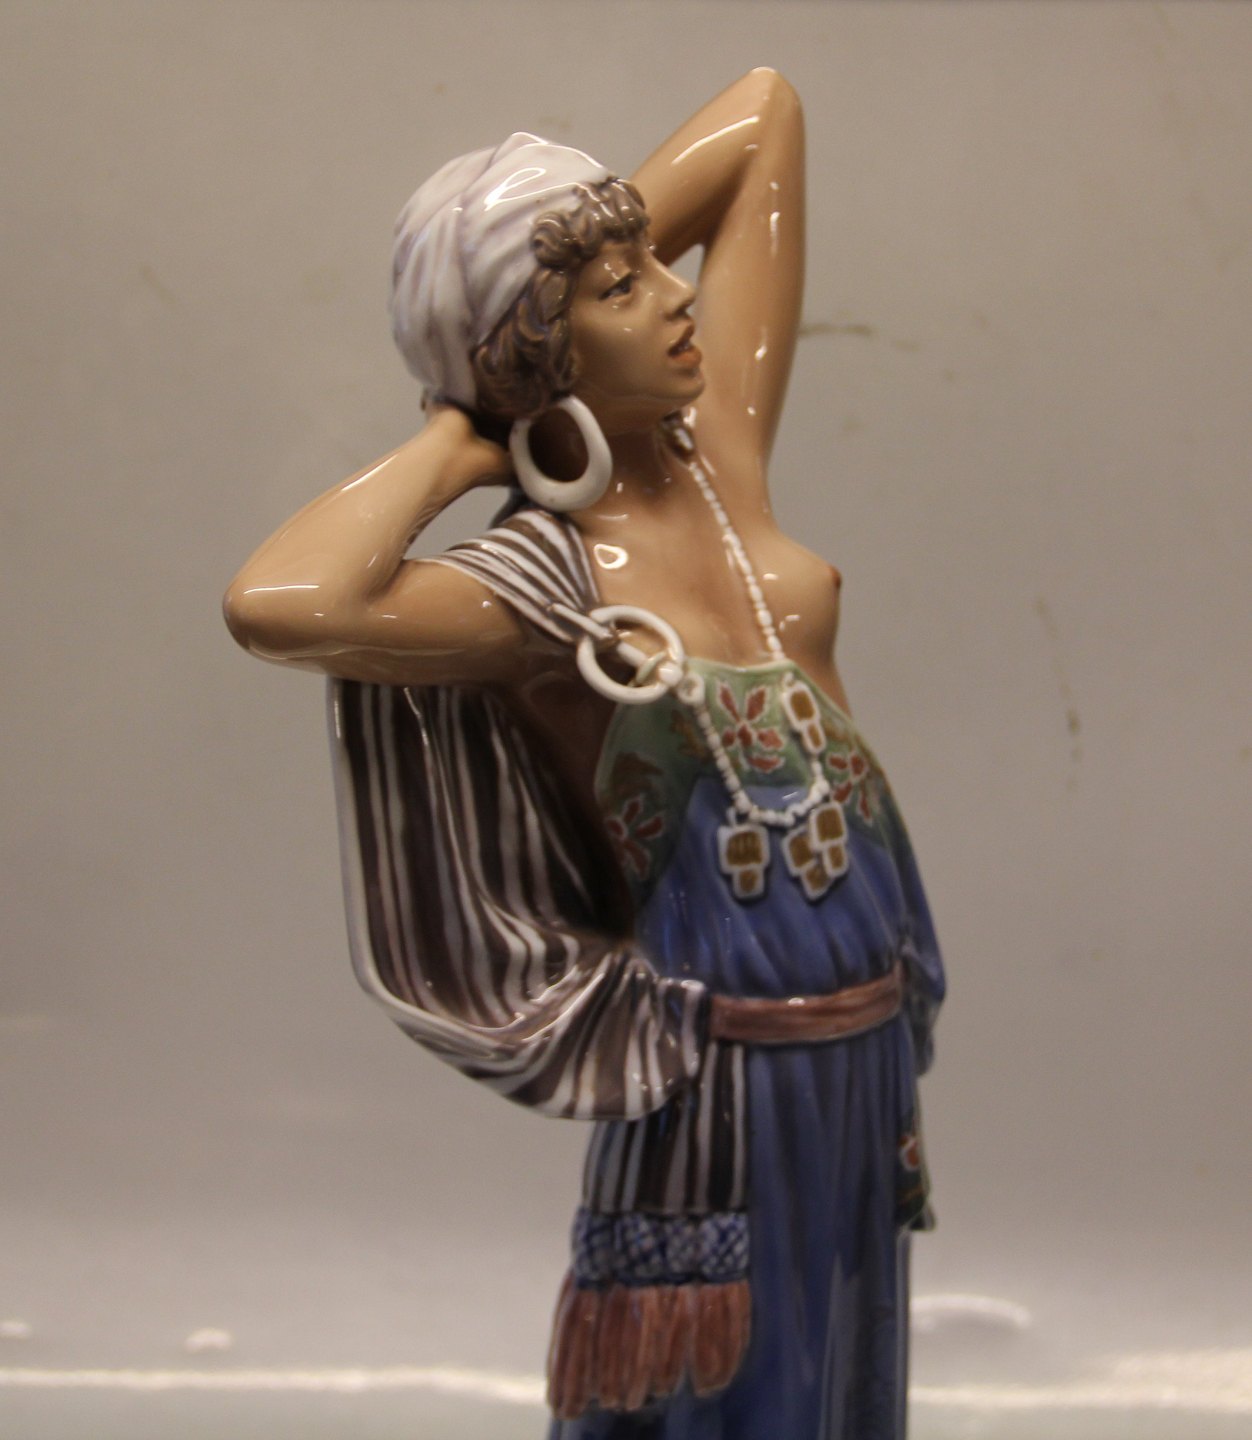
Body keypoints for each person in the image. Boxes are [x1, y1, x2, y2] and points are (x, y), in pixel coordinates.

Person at [225, 69, 944, 1440]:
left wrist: (583, 236)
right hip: (720, 1085)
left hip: (863, 1043)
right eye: (623, 287)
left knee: (842, 1387)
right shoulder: (532, 590)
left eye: (653, 263)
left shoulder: (720, 465)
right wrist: (465, 429)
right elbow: (280, 604)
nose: (676, 293)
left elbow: (762, 119)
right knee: (723, 1402)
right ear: (538, 355)